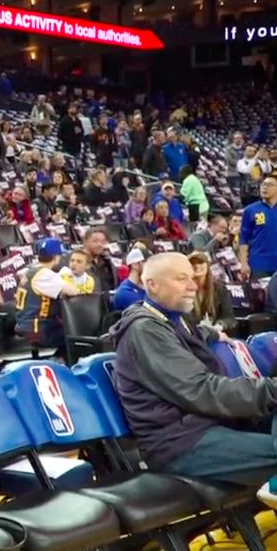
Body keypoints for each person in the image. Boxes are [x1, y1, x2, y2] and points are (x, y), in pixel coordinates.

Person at [110, 253, 277, 498]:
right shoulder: (145, 330)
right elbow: (202, 390)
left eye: (191, 277)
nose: (192, 285)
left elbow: (195, 333)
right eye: (181, 279)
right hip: (180, 443)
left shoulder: (174, 319)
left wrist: (213, 333)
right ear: (152, 285)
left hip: (208, 424)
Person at [15, 238, 79, 353]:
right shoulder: (44, 275)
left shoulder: (31, 270)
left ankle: (60, 359)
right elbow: (73, 291)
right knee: (77, 334)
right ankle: (63, 362)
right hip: (37, 328)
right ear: (55, 257)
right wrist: (66, 276)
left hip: (26, 324)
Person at [187, 251, 236, 333]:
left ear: (207, 265)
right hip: (192, 334)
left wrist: (219, 326)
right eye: (193, 263)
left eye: (201, 262)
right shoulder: (184, 289)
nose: (197, 266)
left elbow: (230, 318)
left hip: (215, 333)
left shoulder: (220, 288)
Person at [240, 174, 277, 280]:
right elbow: (244, 239)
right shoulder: (250, 210)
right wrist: (243, 263)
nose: (265, 187)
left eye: (269, 185)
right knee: (259, 296)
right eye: (263, 184)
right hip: (259, 264)